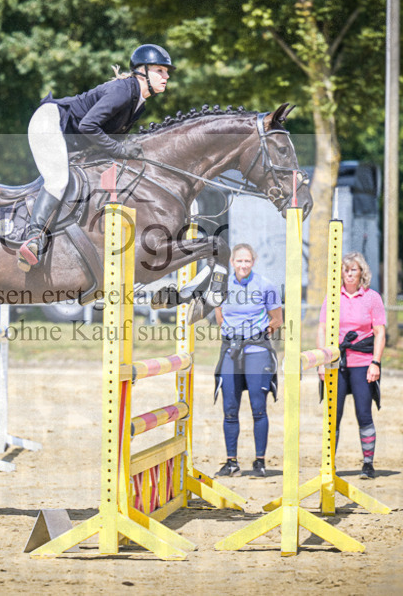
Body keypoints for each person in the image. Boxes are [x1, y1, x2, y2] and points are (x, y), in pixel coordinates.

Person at [17, 44, 174, 271]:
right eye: (160, 70)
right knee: (58, 181)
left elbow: (111, 140)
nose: (166, 76)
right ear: (142, 71)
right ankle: (33, 238)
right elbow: (88, 126)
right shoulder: (122, 92)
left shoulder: (137, 103)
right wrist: (119, 151)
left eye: (166, 72)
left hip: (69, 138)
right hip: (50, 123)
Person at [212, 243, 283, 478]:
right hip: (231, 351)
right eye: (239, 261)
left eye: (247, 261)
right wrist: (235, 335)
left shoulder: (265, 286)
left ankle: (260, 461)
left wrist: (257, 335)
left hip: (257, 351)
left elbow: (277, 319)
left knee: (258, 408)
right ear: (232, 262)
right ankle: (231, 461)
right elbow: (219, 315)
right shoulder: (222, 285)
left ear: (253, 262)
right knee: (230, 409)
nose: (243, 265)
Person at [317, 252, 386, 479]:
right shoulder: (333, 297)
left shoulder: (372, 298)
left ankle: (368, 463)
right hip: (337, 362)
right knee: (332, 416)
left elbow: (379, 332)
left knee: (363, 414)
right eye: (345, 270)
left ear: (361, 272)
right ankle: (329, 464)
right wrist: (321, 360)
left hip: (363, 362)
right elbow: (323, 329)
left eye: (353, 269)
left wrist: (375, 363)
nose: (348, 273)